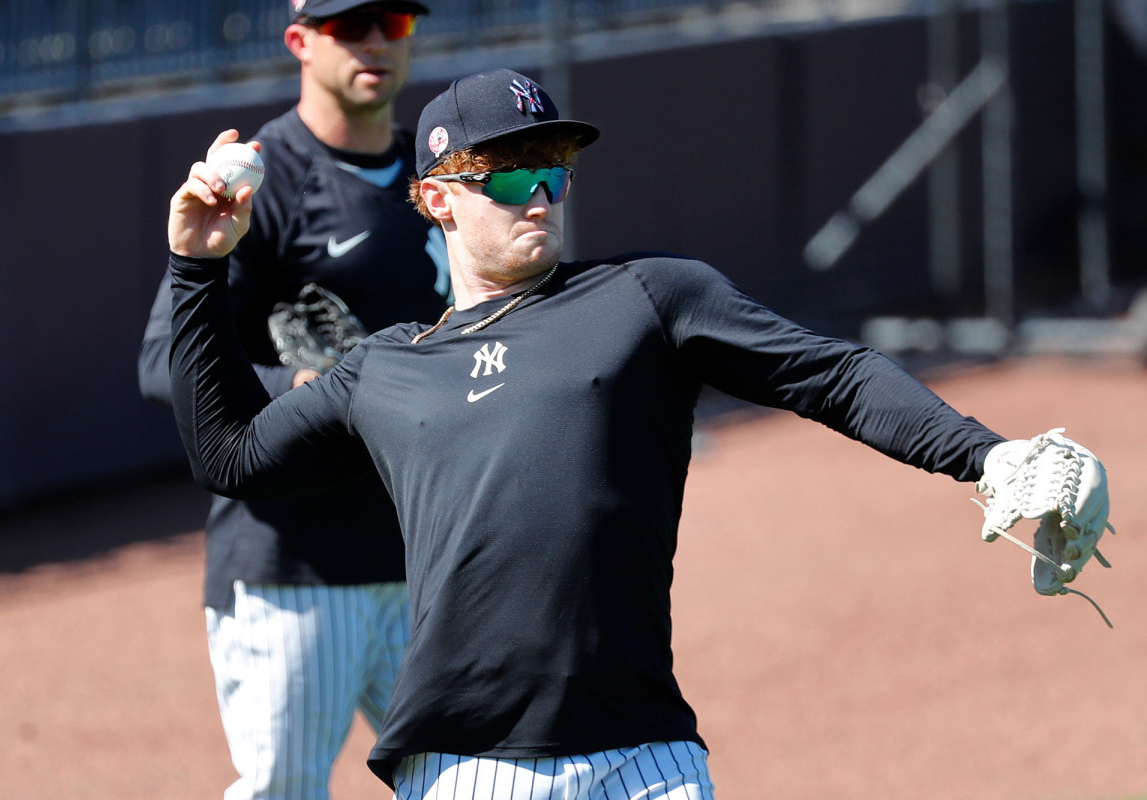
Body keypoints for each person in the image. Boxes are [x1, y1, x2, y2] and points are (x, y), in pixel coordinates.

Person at [162, 69, 1109, 798]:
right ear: (439, 195)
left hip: (643, 760)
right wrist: (198, 273)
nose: (540, 193)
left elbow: (835, 376)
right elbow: (229, 455)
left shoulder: (648, 298)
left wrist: (989, 455)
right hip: (463, 767)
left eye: (555, 172)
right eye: (512, 174)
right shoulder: (387, 366)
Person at [137, 2, 449, 798]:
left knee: (484, 782)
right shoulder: (260, 176)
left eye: (396, 21)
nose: (377, 40)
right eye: (351, 24)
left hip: (432, 555)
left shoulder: (439, 179)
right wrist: (308, 391)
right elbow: (162, 363)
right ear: (300, 42)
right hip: (295, 567)